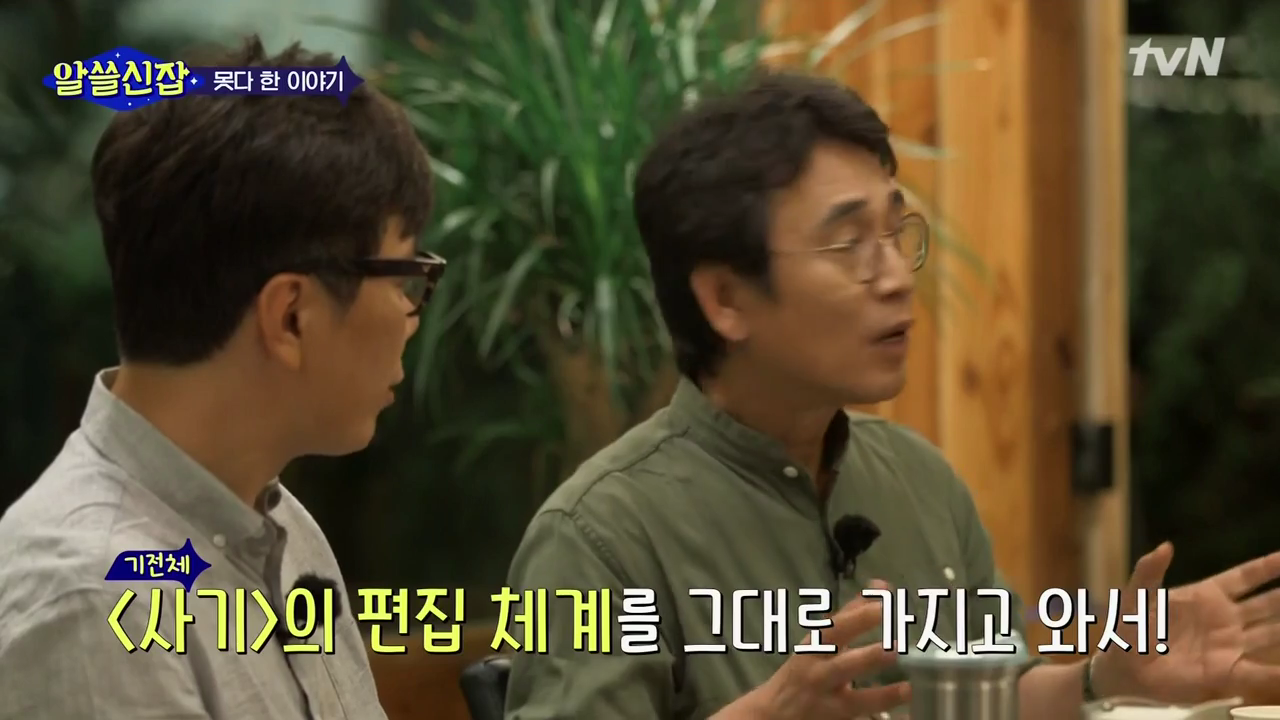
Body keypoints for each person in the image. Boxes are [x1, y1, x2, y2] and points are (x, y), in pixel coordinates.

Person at [502, 70, 1280, 720]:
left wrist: (1103, 679)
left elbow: (995, 697)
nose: (895, 277)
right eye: (849, 243)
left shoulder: (921, 483)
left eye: (897, 232)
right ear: (725, 298)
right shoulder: (599, 536)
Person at [0, 36, 442, 719]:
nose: (412, 318)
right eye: (406, 277)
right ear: (290, 315)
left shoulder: (277, 529)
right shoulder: (95, 600)